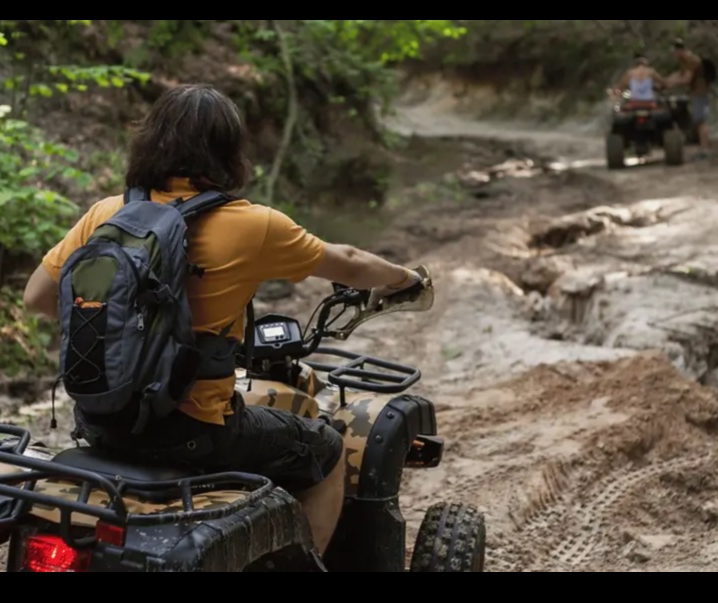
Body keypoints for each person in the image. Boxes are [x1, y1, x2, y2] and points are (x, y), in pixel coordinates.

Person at [21, 84, 424, 556]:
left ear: (149, 141)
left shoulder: (109, 213)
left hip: (100, 421)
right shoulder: (253, 225)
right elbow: (351, 261)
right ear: (228, 153)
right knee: (326, 450)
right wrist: (404, 277)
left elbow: (38, 297)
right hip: (196, 433)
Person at [668, 37, 712, 159]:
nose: (673, 55)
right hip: (697, 93)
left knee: (701, 122)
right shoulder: (686, 60)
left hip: (700, 93)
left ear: (678, 50)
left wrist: (670, 83)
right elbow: (680, 74)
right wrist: (667, 80)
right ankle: (704, 149)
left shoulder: (691, 60)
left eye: (674, 51)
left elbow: (686, 79)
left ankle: (705, 151)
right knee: (698, 121)